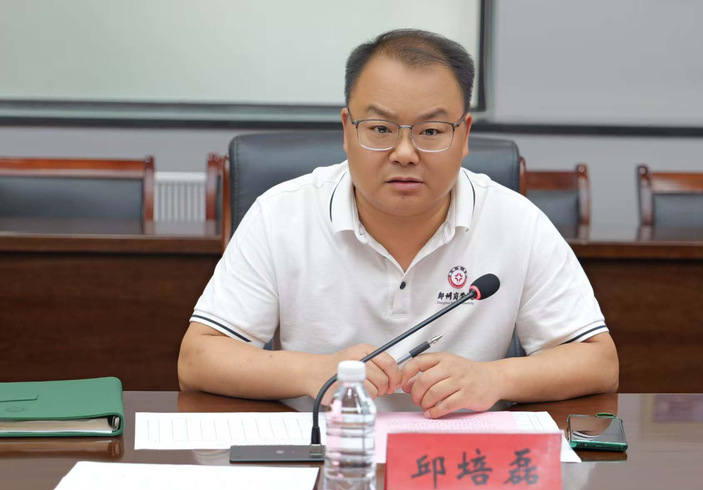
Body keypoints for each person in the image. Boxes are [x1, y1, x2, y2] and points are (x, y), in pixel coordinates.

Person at [178, 29, 618, 418]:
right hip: (322, 455)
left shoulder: (517, 222)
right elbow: (198, 358)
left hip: (462, 460)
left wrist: (494, 379)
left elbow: (598, 362)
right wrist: (314, 371)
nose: (405, 153)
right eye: (381, 129)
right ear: (347, 130)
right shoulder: (281, 214)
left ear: (464, 135)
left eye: (431, 131)